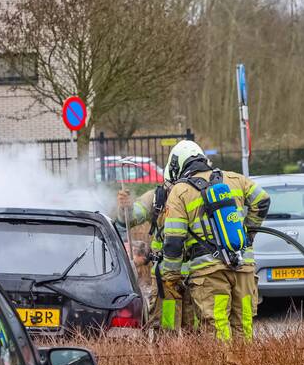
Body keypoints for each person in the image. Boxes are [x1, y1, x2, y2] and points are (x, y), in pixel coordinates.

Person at [160, 140, 270, 340]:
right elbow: (262, 200)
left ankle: (223, 363)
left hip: (209, 273)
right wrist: (247, 235)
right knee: (244, 324)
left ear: (179, 164)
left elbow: (174, 240)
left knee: (217, 328)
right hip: (244, 268)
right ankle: (246, 361)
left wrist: (171, 276)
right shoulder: (235, 178)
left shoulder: (180, 191)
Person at [116, 176, 195, 330]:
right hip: (165, 279)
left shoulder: (199, 194)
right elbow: (132, 217)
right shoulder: (156, 197)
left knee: (195, 329)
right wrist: (127, 208)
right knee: (166, 328)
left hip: (195, 277)